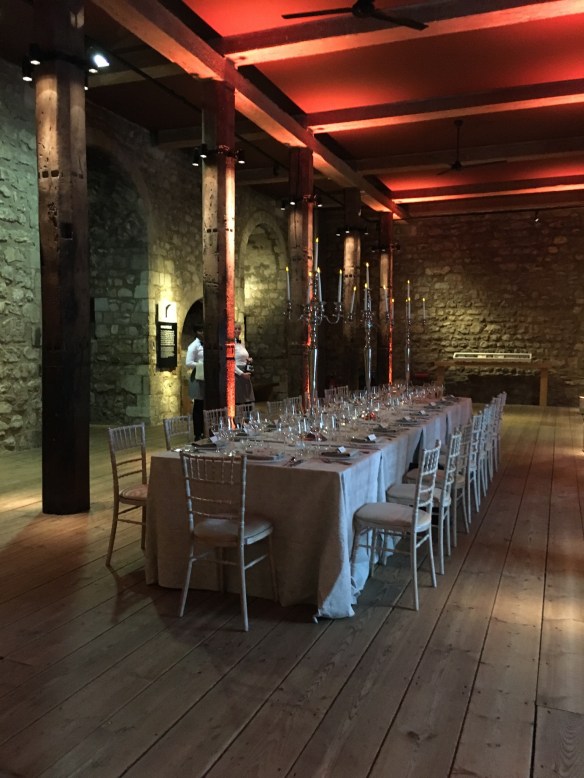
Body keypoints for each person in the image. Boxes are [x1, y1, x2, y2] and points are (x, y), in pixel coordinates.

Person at [186, 326, 204, 439]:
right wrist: (201, 365)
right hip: (198, 376)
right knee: (198, 405)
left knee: (204, 405)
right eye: (201, 330)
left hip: (206, 377)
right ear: (197, 332)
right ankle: (197, 433)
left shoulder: (206, 344)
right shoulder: (193, 346)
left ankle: (204, 430)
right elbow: (188, 363)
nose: (203, 333)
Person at [234, 322, 255, 405]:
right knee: (240, 400)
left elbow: (242, 357)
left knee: (248, 400)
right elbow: (230, 363)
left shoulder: (241, 343)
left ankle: (249, 418)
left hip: (245, 372)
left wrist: (249, 360)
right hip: (238, 374)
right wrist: (241, 374)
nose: (238, 330)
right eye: (235, 328)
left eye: (239, 329)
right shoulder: (230, 344)